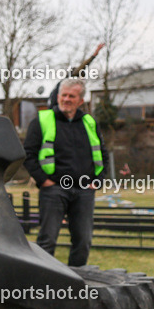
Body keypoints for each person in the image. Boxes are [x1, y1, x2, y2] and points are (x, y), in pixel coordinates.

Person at [23, 78, 108, 267]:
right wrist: (43, 180)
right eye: (64, 95)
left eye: (72, 96)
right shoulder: (43, 120)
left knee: (83, 242)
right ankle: (43, 284)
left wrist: (98, 180)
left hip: (84, 191)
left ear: (80, 101)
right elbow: (28, 154)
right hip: (54, 190)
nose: (66, 99)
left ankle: (76, 284)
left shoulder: (89, 122)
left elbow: (102, 152)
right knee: (47, 241)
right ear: (58, 96)